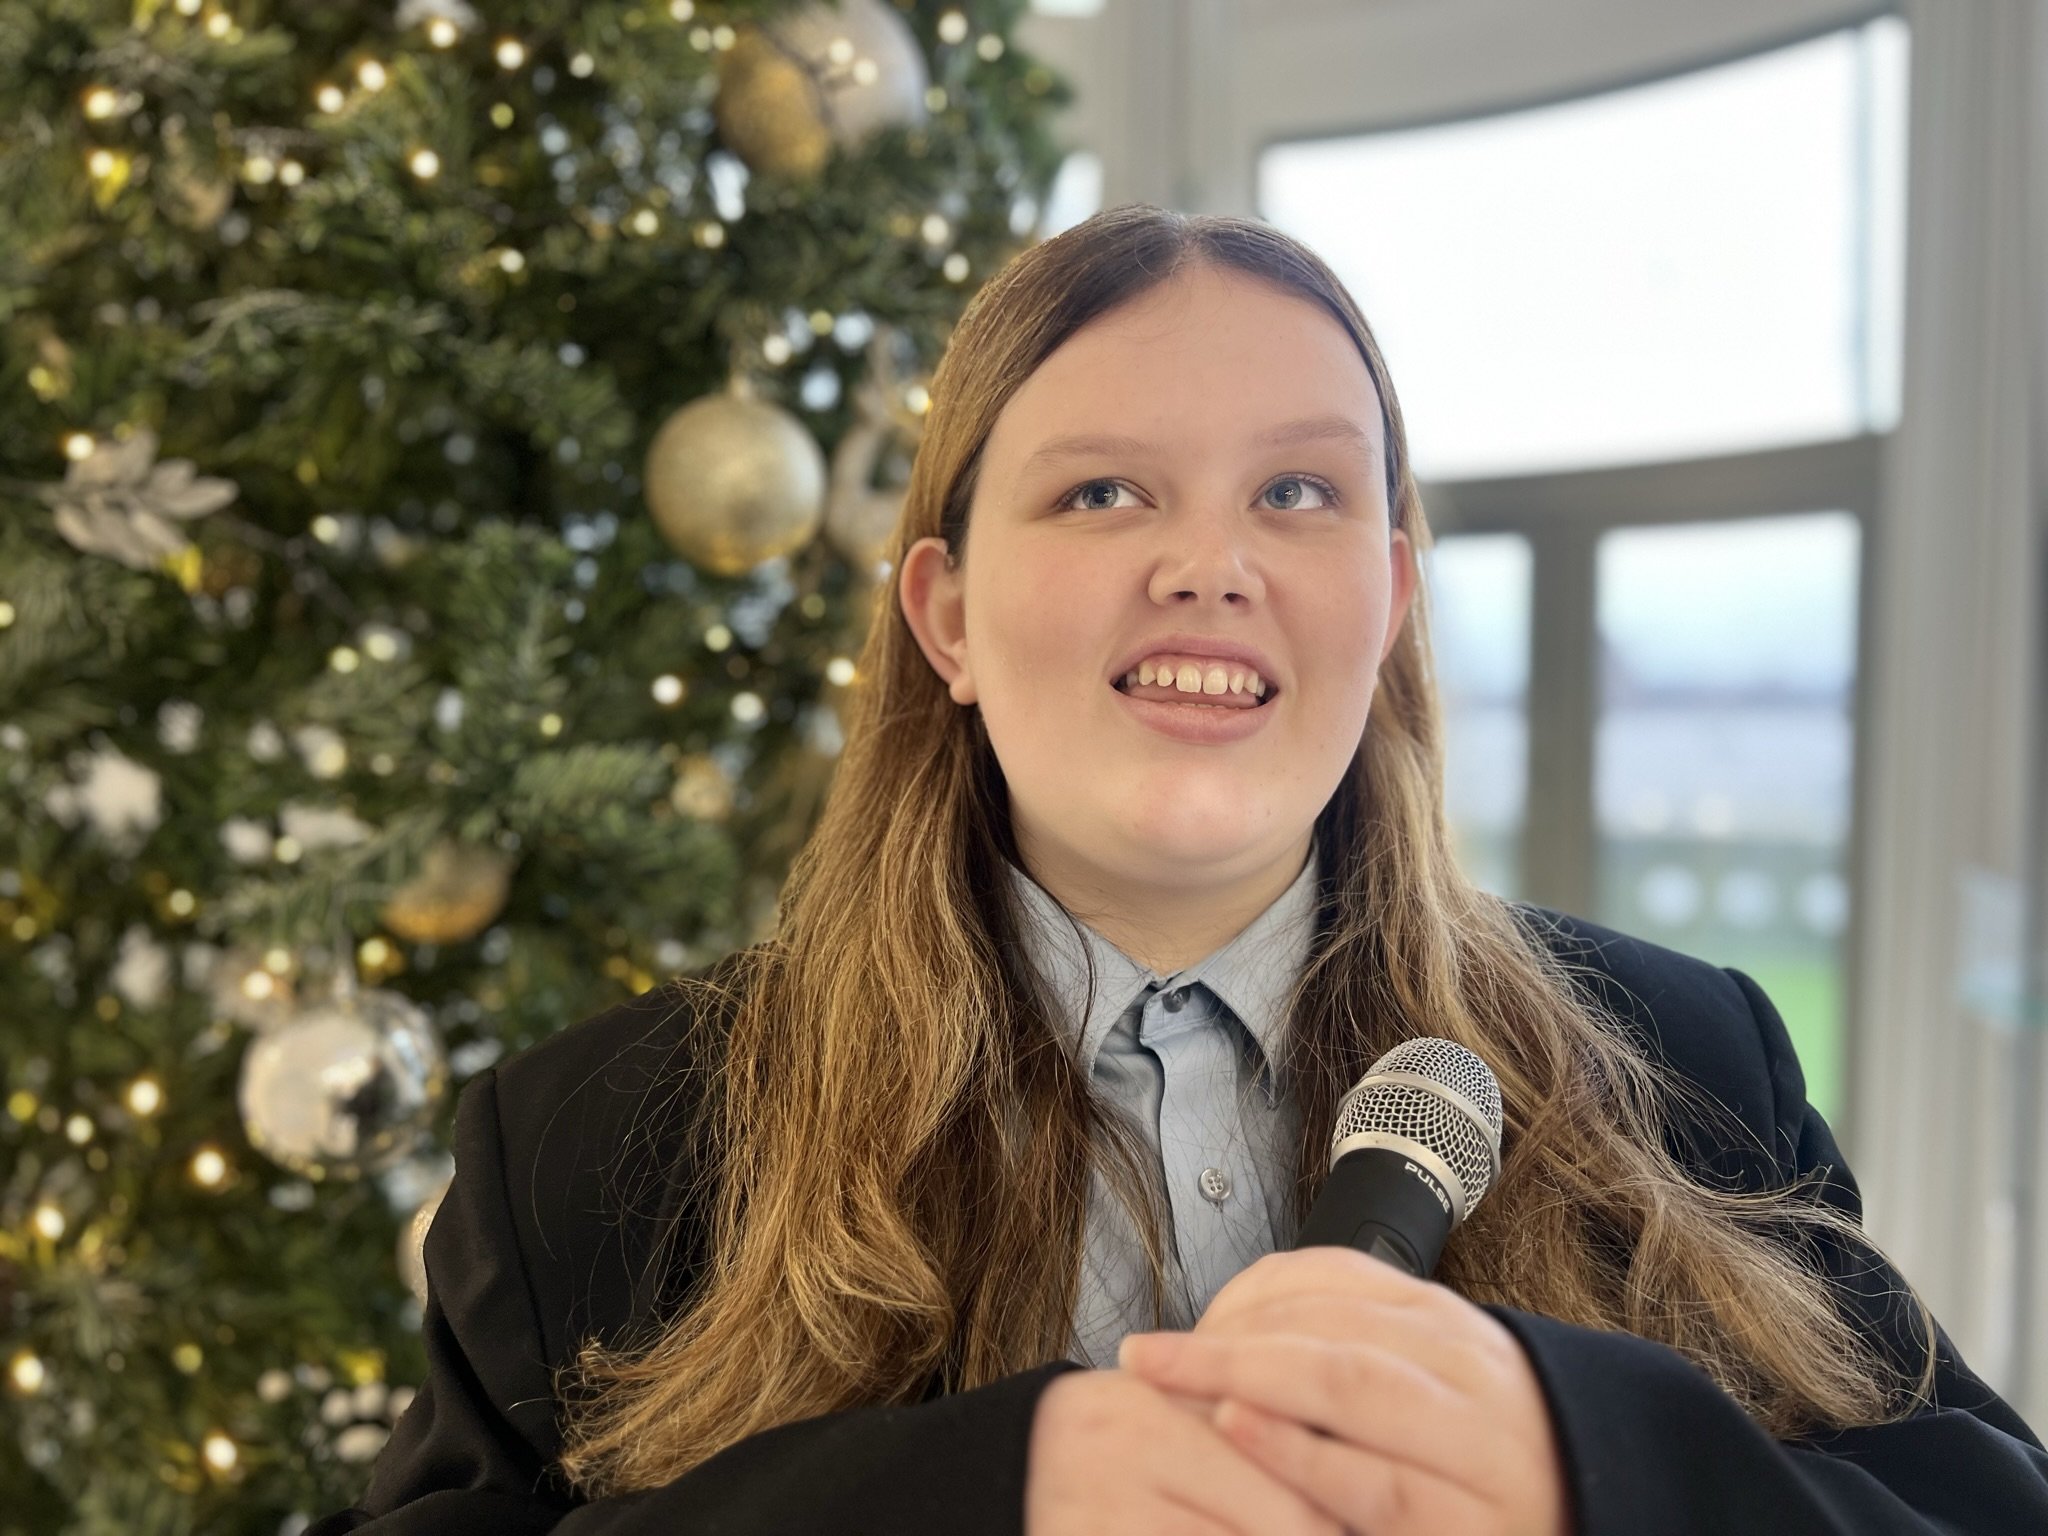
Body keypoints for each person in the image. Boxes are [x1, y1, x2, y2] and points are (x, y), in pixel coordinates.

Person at [310, 204, 2048, 1535]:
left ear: (1394, 597)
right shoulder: (592, 1148)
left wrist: (1597, 1467)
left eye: (1298, 493)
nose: (1211, 564)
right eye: (1103, 496)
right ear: (950, 618)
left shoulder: (1687, 1061)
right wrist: (981, 1494)